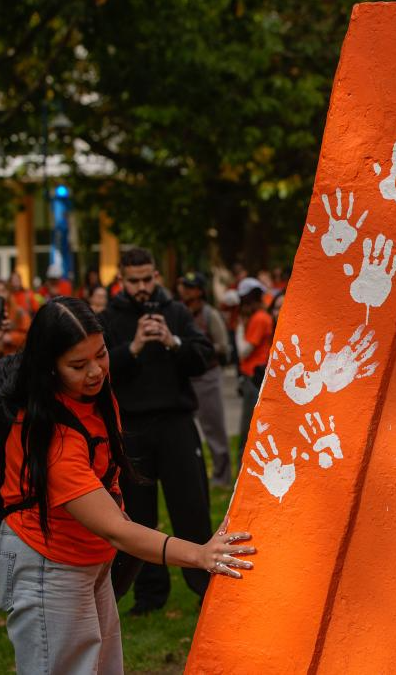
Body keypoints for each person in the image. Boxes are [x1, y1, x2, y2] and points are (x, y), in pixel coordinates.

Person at [0, 296, 255, 673]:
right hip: (50, 566)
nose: (96, 371)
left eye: (101, 354)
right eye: (78, 365)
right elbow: (116, 529)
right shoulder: (54, 441)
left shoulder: (90, 393)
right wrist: (200, 555)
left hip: (86, 560)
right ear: (49, 368)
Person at [98, 248, 216, 615]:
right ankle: (149, 594)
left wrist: (172, 341)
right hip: (131, 427)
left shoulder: (176, 311)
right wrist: (132, 348)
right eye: (133, 280)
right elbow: (98, 370)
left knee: (191, 507)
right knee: (137, 514)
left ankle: (205, 586)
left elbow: (204, 357)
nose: (142, 287)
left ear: (157, 276)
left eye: (147, 279)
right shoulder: (108, 318)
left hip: (176, 423)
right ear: (121, 280)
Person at [179, 272, 233, 486]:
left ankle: (222, 477)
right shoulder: (180, 312)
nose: (185, 291)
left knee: (213, 427)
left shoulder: (210, 315)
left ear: (200, 291)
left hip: (207, 377)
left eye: (190, 287)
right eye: (184, 286)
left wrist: (199, 347)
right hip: (186, 377)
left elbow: (224, 346)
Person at [235, 277, 272, 455]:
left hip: (254, 377)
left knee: (248, 429)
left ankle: (243, 464)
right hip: (252, 376)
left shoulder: (259, 319)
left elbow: (243, 351)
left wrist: (239, 328)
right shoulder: (260, 317)